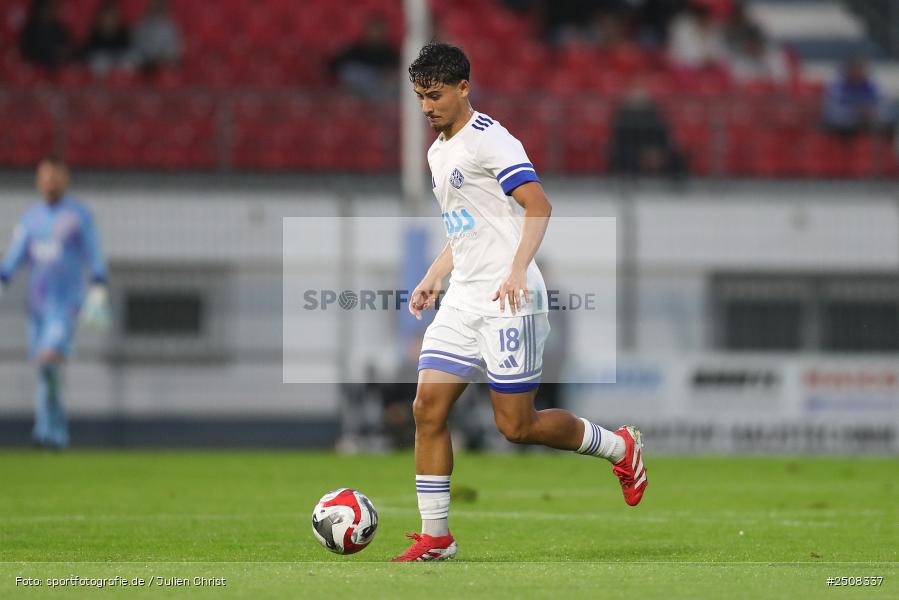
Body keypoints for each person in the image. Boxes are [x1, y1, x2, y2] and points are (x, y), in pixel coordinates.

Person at [392, 42, 648, 562]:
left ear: (464, 88)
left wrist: (515, 270)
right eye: (419, 96)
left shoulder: (493, 141)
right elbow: (464, 228)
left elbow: (538, 205)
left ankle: (620, 446)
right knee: (427, 408)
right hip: (463, 299)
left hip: (511, 299)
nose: (426, 107)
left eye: (435, 95)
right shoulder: (438, 152)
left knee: (516, 425)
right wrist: (434, 275)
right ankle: (436, 537)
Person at [0, 156, 109, 449]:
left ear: (65, 178)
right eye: (45, 176)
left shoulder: (78, 216)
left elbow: (94, 252)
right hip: (36, 306)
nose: (50, 181)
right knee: (44, 369)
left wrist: (99, 284)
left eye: (55, 176)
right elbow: (14, 256)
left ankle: (50, 432)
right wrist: (3, 278)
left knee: (48, 362)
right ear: (38, 180)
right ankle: (51, 433)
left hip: (65, 306)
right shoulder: (30, 219)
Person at [328, 17, 399, 100]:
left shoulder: (390, 52)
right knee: (351, 72)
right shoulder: (356, 49)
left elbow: (396, 70)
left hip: (382, 91)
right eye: (373, 30)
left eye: (379, 30)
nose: (376, 33)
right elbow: (335, 67)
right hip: (360, 89)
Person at [822, 57, 896, 137]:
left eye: (860, 69)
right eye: (854, 69)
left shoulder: (871, 85)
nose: (858, 73)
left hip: (868, 122)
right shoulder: (838, 87)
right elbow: (832, 111)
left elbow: (884, 104)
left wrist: (873, 112)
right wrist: (855, 113)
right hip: (845, 124)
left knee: (887, 125)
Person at [19, 0, 76, 70]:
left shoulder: (60, 29)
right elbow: (28, 53)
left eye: (53, 8)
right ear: (40, 9)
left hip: (58, 69)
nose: (51, 11)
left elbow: (70, 50)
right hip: (36, 70)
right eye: (48, 8)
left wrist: (63, 53)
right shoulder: (30, 29)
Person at [81, 1, 133, 75]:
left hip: (119, 58)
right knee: (100, 62)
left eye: (112, 16)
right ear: (101, 18)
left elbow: (128, 48)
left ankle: (125, 83)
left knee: (129, 60)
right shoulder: (94, 32)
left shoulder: (123, 31)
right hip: (103, 62)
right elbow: (89, 52)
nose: (109, 19)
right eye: (107, 16)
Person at [131, 0, 182, 72]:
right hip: (147, 62)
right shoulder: (142, 25)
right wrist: (153, 57)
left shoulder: (170, 25)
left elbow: (176, 47)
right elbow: (138, 46)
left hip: (166, 60)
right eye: (153, 5)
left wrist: (164, 56)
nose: (155, 8)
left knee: (172, 64)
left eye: (157, 5)